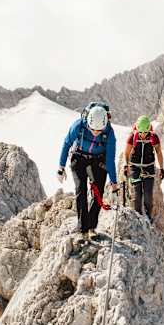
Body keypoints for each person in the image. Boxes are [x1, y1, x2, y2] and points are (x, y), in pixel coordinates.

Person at [57, 102, 120, 238]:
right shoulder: (78, 125)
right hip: (78, 157)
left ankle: (91, 226)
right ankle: (82, 229)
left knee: (98, 190)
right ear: (88, 122)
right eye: (93, 130)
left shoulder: (109, 133)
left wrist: (114, 185)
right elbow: (67, 144)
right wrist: (61, 167)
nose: (96, 133)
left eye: (99, 131)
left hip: (98, 160)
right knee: (81, 189)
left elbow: (110, 160)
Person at [124, 115, 164, 217]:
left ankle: (148, 216)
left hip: (148, 168)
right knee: (137, 195)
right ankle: (138, 216)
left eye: (145, 132)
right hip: (135, 168)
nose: (142, 134)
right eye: (140, 132)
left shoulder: (153, 137)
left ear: (149, 130)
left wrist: (162, 168)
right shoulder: (132, 137)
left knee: (148, 195)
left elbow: (159, 152)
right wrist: (126, 165)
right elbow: (127, 152)